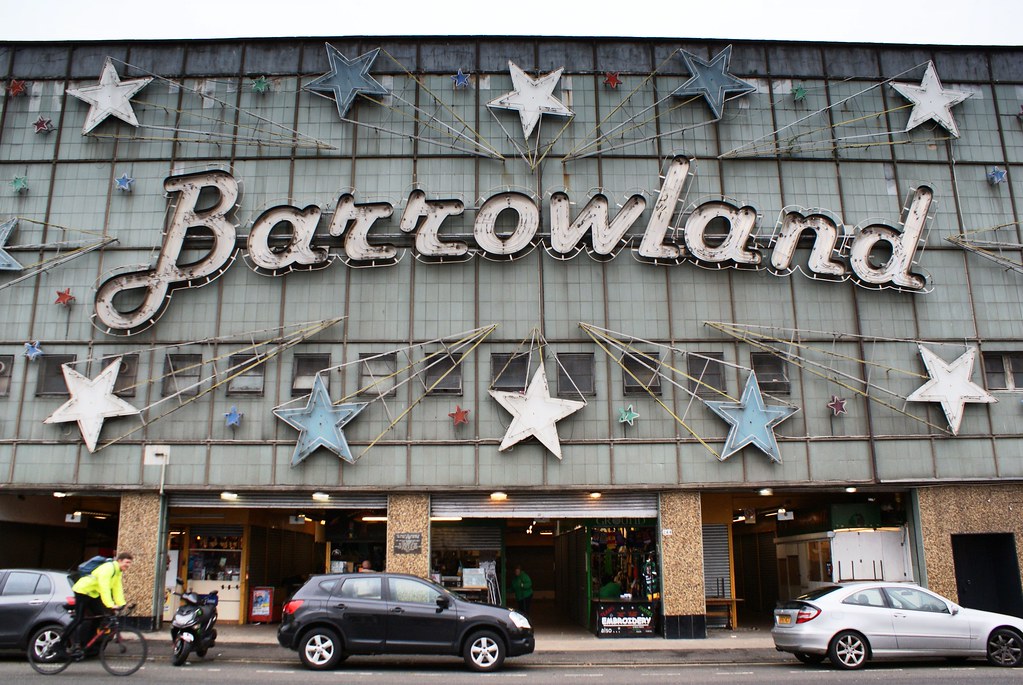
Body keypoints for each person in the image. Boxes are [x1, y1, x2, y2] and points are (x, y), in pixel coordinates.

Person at [58, 552, 133, 657]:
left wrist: (122, 603)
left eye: (130, 563)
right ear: (119, 561)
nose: (128, 565)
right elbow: (104, 587)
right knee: (78, 619)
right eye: (127, 562)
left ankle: (87, 646)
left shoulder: (117, 572)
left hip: (92, 594)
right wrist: (110, 604)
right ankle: (61, 644)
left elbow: (117, 588)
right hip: (83, 591)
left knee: (99, 618)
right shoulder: (108, 568)